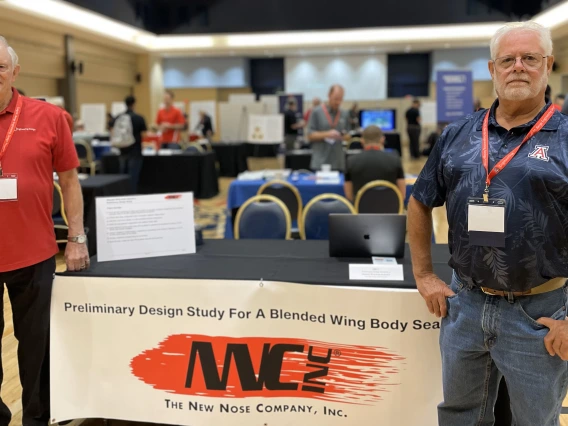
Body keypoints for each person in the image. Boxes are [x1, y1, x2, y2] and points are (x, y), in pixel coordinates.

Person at [408, 21, 568, 425]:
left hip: (540, 314)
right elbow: (420, 200)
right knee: (460, 415)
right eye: (507, 60)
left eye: (530, 58)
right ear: (492, 69)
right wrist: (424, 274)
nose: (518, 67)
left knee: (536, 419)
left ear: (547, 66)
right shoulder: (458, 135)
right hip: (465, 305)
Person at [0, 36, 88, 425]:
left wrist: (76, 238)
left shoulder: (49, 117)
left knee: (37, 347)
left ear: (15, 72)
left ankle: (37, 418)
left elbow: (70, 182)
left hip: (34, 254)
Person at [344, 125, 405, 202]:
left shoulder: (350, 161)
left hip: (360, 212)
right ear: (382, 140)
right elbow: (401, 195)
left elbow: (349, 195)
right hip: (390, 212)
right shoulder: (395, 159)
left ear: (362, 140)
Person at [306, 85, 350, 171]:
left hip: (338, 163)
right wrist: (327, 134)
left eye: (340, 99)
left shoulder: (344, 114)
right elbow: (310, 135)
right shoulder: (316, 112)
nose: (338, 102)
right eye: (336, 98)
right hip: (320, 162)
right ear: (329, 95)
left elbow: (348, 136)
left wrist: (343, 136)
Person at [112, 95, 147, 193]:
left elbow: (112, 130)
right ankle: (132, 197)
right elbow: (144, 134)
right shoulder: (139, 118)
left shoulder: (118, 117)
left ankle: (122, 195)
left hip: (122, 150)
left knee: (122, 176)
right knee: (133, 177)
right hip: (135, 151)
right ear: (134, 104)